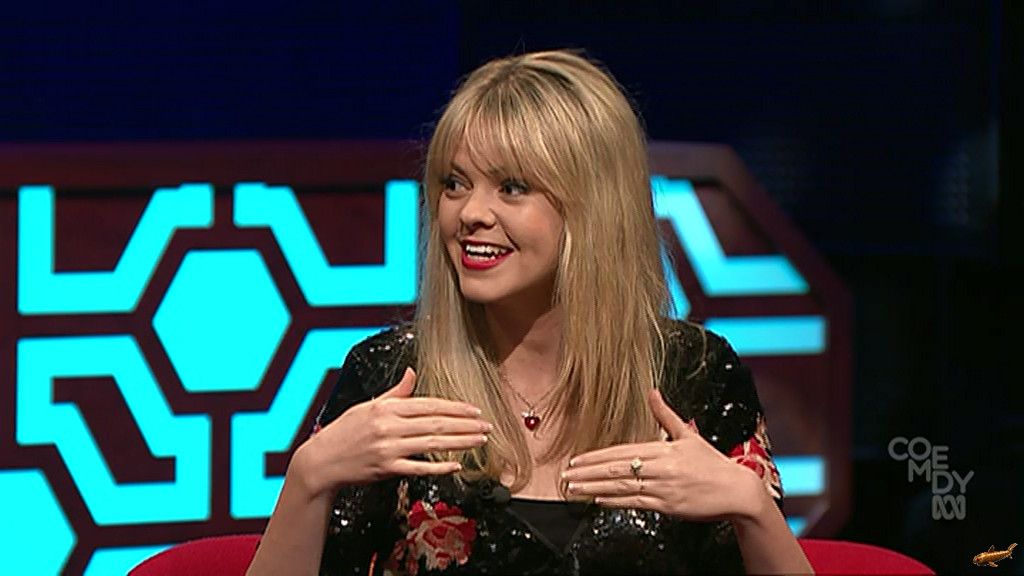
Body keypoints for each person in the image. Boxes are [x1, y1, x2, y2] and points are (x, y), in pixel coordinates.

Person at [247, 49, 814, 575]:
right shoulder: (390, 377)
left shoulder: (695, 374)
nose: (470, 213)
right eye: (454, 183)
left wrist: (750, 506)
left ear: (593, 207)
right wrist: (309, 477)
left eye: (512, 187)